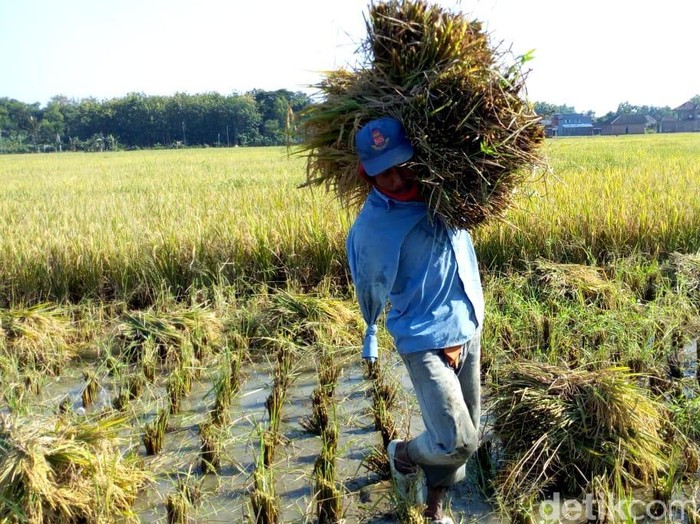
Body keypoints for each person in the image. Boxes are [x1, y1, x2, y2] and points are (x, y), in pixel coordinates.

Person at [346, 116, 485, 523]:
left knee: (465, 434)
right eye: (382, 172)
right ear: (365, 173)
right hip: (423, 339)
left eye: (401, 164)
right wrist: (371, 328)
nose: (395, 178)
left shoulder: (449, 194)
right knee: (458, 440)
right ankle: (403, 453)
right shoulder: (372, 228)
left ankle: (433, 508)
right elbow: (369, 282)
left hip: (468, 322)